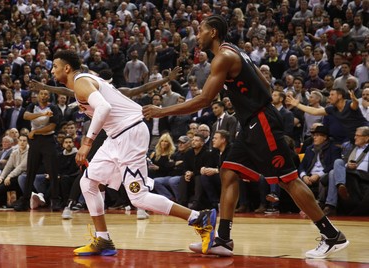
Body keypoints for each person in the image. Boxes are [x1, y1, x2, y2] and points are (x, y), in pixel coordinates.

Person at [143, 15, 349, 259]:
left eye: (201, 30)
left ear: (213, 33)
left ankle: (331, 235)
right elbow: (265, 82)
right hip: (250, 122)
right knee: (228, 171)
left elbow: (204, 99)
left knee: (287, 179)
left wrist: (161, 111)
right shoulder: (235, 52)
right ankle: (223, 239)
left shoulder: (224, 57)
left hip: (261, 121)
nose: (197, 35)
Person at [48, 50, 216, 256]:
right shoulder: (82, 83)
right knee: (88, 182)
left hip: (130, 133)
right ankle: (103, 240)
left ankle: (200, 218)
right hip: (116, 136)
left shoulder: (81, 81)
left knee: (138, 197)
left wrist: (87, 142)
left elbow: (103, 108)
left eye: (55, 66)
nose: (52, 70)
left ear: (66, 68)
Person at [14, 89, 61, 211]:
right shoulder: (32, 105)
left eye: (46, 94)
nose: (44, 95)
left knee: (53, 171)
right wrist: (42, 114)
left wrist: (35, 131)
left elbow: (52, 126)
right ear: (38, 96)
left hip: (48, 140)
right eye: (41, 93)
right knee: (30, 171)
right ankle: (25, 201)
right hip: (34, 141)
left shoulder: (54, 108)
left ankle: (55, 201)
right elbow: (26, 116)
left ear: (49, 96)